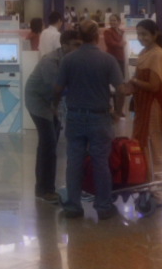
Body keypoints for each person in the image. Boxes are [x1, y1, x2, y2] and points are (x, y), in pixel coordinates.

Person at [52, 20, 123, 220]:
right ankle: (103, 206)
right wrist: (118, 112)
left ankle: (73, 206)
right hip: (99, 117)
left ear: (80, 37)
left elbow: (57, 88)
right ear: (97, 36)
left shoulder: (68, 60)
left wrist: (54, 106)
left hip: (75, 116)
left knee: (74, 161)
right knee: (101, 162)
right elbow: (120, 90)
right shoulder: (108, 60)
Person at [25, 28, 79, 202]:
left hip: (51, 102)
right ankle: (44, 189)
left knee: (50, 143)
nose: (78, 48)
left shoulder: (70, 59)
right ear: (64, 45)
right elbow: (56, 87)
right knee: (48, 143)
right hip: (38, 101)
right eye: (75, 45)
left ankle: (43, 186)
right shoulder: (50, 61)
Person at [128, 19, 162, 184]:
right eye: (138, 34)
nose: (140, 37)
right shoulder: (145, 52)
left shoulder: (157, 54)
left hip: (152, 107)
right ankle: (146, 180)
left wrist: (134, 81)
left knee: (154, 143)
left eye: (144, 34)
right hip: (142, 105)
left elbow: (154, 86)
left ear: (155, 34)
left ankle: (157, 186)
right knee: (142, 143)